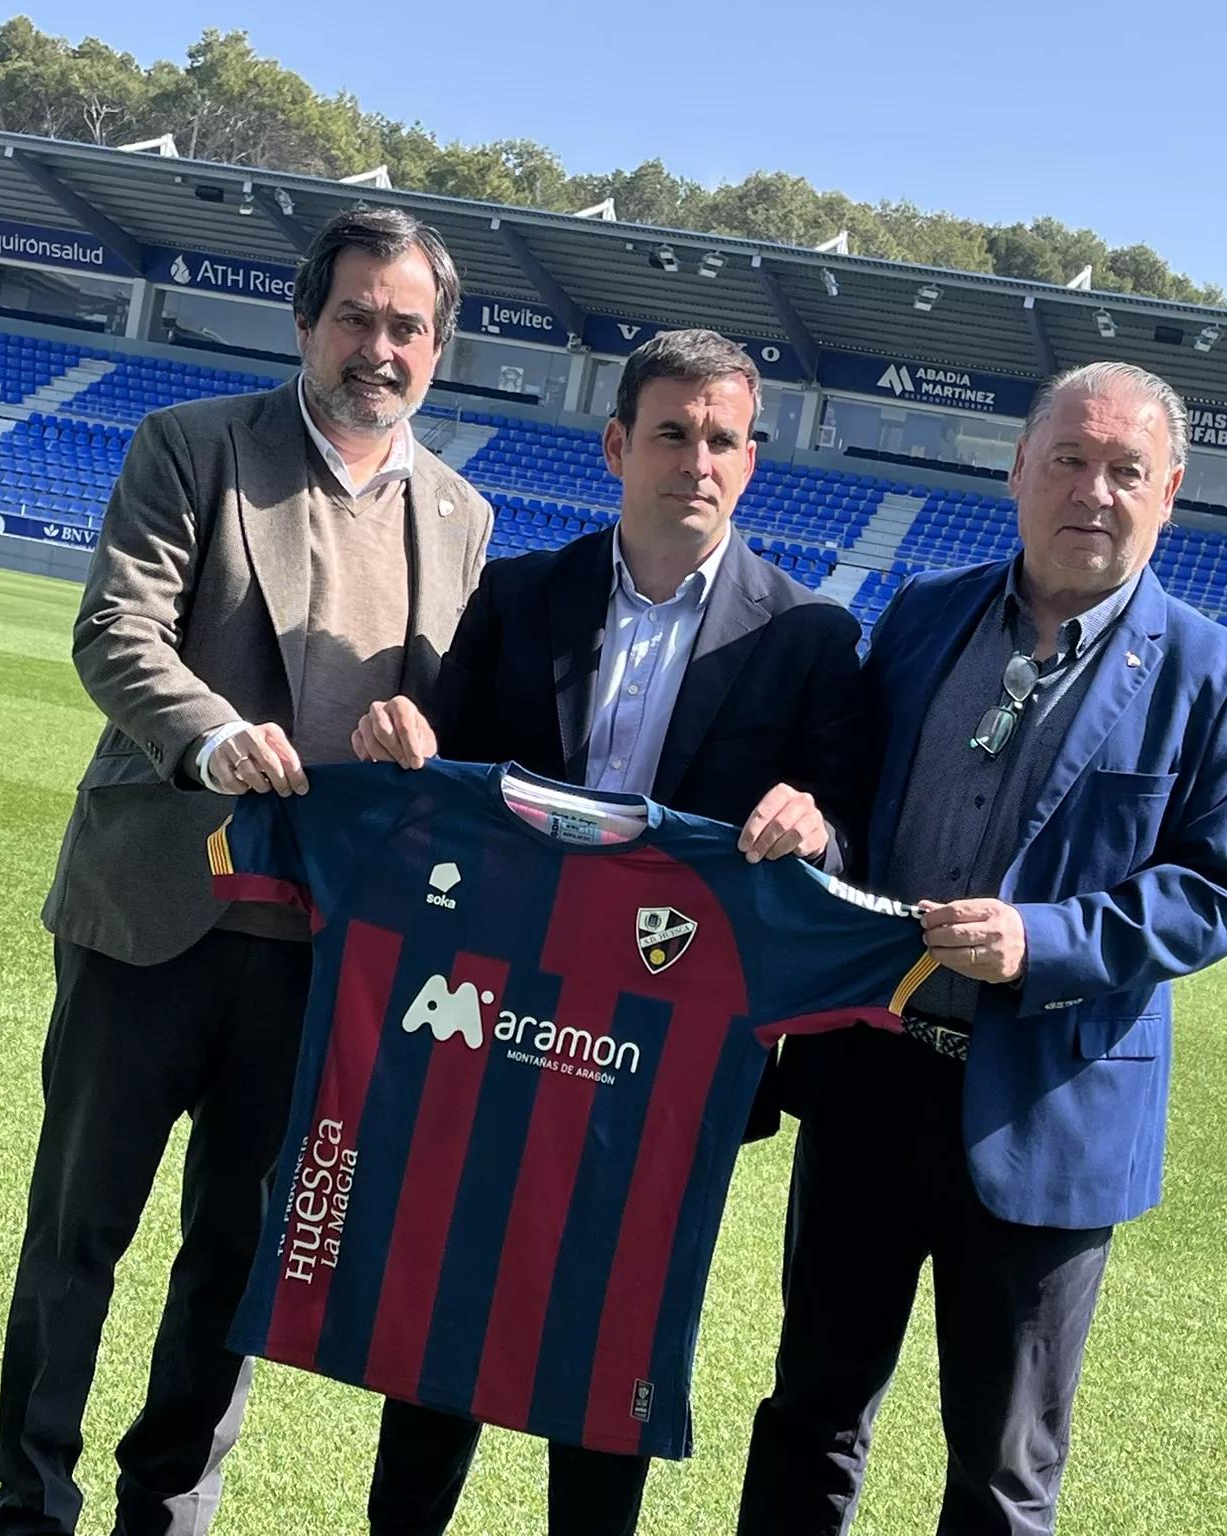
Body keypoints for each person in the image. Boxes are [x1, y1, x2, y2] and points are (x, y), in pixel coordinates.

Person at [0, 206, 493, 1536]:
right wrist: (209, 737)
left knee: (237, 1264)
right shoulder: (194, 447)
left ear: (439, 348)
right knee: (77, 1237)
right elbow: (116, 629)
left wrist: (422, 744)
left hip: (322, 957)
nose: (378, 346)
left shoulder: (465, 516)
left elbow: (462, 732)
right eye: (356, 317)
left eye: (407, 326)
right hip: (152, 911)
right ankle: (30, 1504)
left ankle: (167, 1515)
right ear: (305, 322)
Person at [738, 360, 1227, 1535]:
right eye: (1068, 460)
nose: (1092, 490)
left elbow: (1211, 895)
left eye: (1124, 469)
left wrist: (1037, 940)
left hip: (1045, 1112)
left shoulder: (1226, 679)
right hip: (868, 1075)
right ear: (1016, 470)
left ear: (1170, 491)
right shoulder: (923, 613)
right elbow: (857, 801)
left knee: (1000, 1474)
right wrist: (813, 825)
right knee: (809, 1415)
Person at [353, 326, 869, 1536]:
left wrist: (816, 827)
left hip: (668, 1059)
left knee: (607, 1330)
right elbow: (446, 773)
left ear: (751, 465)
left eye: (723, 441)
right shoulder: (522, 594)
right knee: (453, 1295)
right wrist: (404, 744)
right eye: (672, 433)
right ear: (615, 446)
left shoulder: (808, 639)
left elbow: (844, 841)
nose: (697, 460)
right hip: (495, 1018)